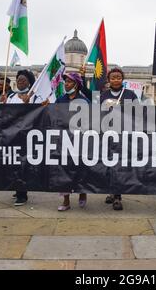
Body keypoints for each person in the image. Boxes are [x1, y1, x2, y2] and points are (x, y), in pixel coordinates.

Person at [100, 67, 139, 211]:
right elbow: (98, 113)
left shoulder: (130, 94)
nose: (116, 80)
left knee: (120, 165)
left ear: (122, 79)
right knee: (108, 165)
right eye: (113, 77)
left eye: (118, 77)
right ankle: (111, 191)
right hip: (107, 134)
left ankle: (117, 196)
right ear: (109, 80)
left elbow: (138, 113)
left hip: (124, 135)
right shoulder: (104, 95)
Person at [2, 70, 42, 206]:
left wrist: (28, 104)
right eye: (18, 80)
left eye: (23, 80)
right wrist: (2, 103)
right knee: (13, 164)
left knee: (23, 165)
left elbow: (40, 113)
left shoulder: (34, 97)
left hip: (26, 135)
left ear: (29, 82)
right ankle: (17, 188)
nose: (20, 82)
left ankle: (22, 194)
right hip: (12, 134)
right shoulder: (11, 96)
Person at [54, 73, 90, 211]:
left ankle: (82, 192)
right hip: (64, 139)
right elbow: (54, 115)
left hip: (80, 139)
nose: (66, 84)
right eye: (65, 82)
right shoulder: (60, 100)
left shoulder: (85, 101)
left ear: (76, 84)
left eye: (69, 82)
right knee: (64, 170)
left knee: (81, 168)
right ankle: (66, 201)